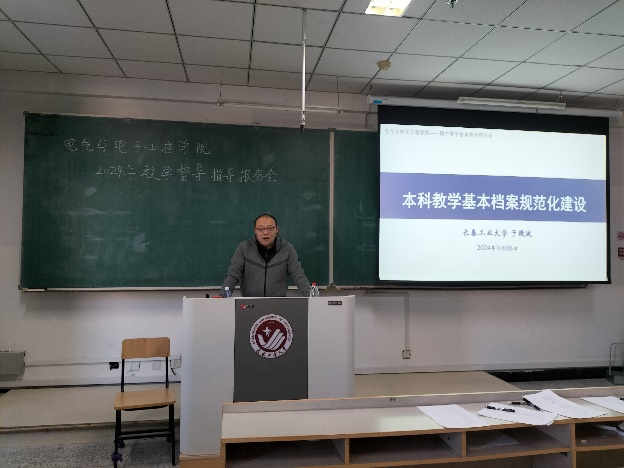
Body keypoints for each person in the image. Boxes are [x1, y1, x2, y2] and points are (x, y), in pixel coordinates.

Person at [221, 214, 311, 297]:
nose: (265, 232)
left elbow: (298, 276)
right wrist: (223, 296)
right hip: (250, 303)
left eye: (270, 228)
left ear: (276, 229)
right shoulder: (244, 248)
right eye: (260, 229)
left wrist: (312, 299)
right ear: (255, 230)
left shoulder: (287, 249)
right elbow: (233, 275)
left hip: (278, 303)